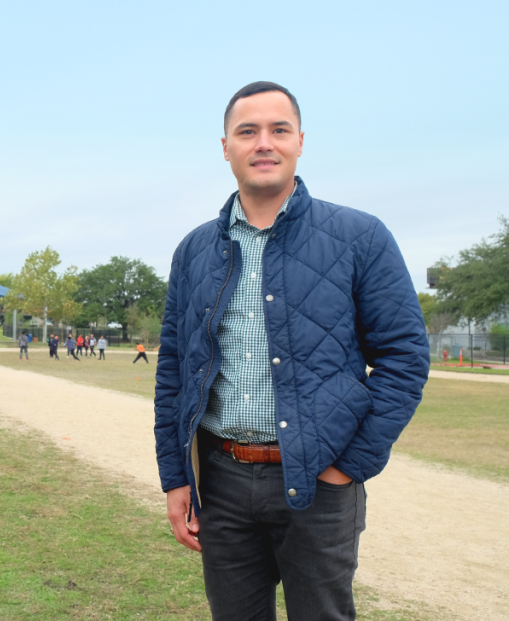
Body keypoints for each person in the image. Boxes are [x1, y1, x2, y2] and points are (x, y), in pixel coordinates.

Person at [153, 81, 429, 621]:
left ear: (300, 141)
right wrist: (175, 477)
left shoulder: (359, 236)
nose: (264, 142)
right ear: (226, 146)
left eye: (279, 130)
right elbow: (173, 371)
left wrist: (348, 466)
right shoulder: (193, 251)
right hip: (223, 478)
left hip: (321, 482)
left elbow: (404, 358)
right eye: (247, 131)